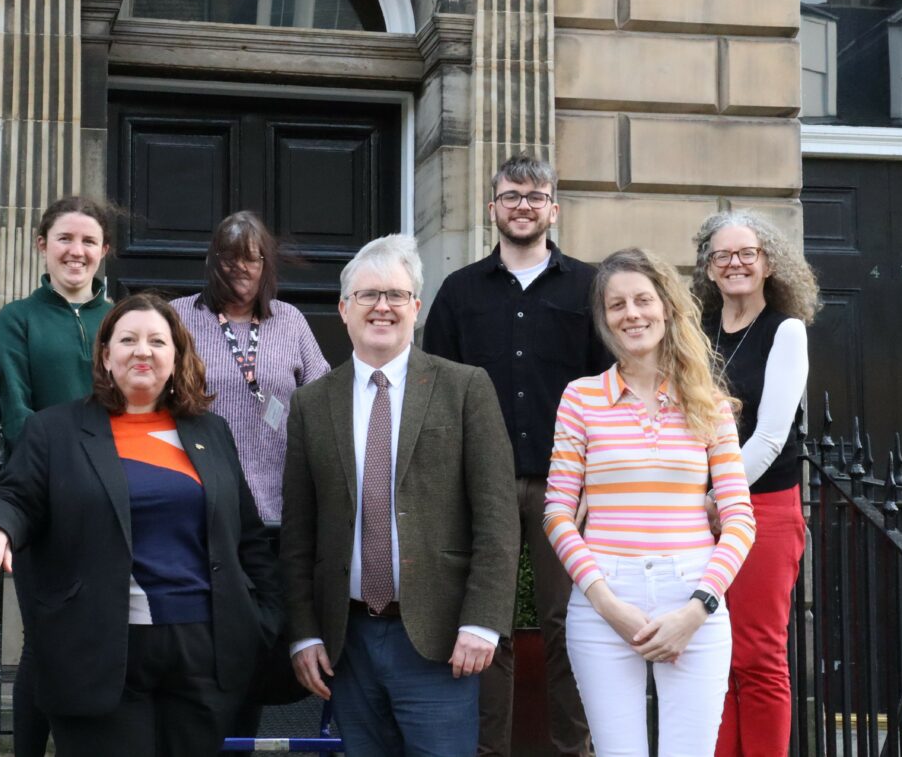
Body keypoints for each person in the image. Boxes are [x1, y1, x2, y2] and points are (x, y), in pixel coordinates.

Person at [0, 293, 281, 757]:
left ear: (176, 356)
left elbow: (249, 538)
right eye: (128, 339)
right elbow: (15, 496)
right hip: (100, 651)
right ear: (106, 356)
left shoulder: (212, 432)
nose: (143, 350)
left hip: (202, 655)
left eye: (157, 340)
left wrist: (264, 620)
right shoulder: (56, 431)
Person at [280, 234, 520, 757]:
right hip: (348, 642)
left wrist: (483, 621)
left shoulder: (465, 388)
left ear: (416, 307)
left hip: (440, 640)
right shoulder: (311, 403)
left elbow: (498, 519)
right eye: (367, 295)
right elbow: (299, 533)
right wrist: (303, 633)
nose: (382, 306)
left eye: (396, 295)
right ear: (344, 309)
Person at [423, 154, 607, 757]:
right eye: (511, 195)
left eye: (535, 195)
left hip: (568, 483)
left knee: (568, 626)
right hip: (483, 482)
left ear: (554, 207)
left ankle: (573, 750)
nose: (523, 205)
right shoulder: (458, 292)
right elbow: (437, 391)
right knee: (486, 626)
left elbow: (608, 383)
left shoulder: (590, 287)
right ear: (493, 206)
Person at [543, 248, 756, 757]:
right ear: (605, 319)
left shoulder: (708, 402)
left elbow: (740, 520)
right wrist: (606, 603)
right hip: (604, 598)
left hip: (693, 594)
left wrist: (697, 608)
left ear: (666, 307)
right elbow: (556, 513)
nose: (632, 313)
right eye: (617, 305)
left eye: (643, 299)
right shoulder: (581, 398)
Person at [0, 195, 113, 756]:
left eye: (89, 241)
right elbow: (17, 411)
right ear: (42, 245)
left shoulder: (121, 319)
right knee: (44, 640)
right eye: (65, 238)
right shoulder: (18, 319)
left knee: (109, 634)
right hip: (47, 495)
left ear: (104, 252)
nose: (77, 251)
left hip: (118, 496)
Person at [692, 211, 820, 757]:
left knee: (758, 656)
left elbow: (770, 437)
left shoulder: (785, 330)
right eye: (723, 255)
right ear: (709, 268)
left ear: (769, 263)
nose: (736, 263)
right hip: (698, 511)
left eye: (747, 253)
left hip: (763, 506)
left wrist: (721, 494)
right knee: (711, 654)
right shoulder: (695, 332)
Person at [172, 211, 330, 524]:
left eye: (252, 258)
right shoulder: (179, 317)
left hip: (280, 502)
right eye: (230, 257)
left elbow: (323, 402)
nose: (241, 268)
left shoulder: (290, 321)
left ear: (265, 266)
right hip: (198, 500)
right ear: (212, 262)